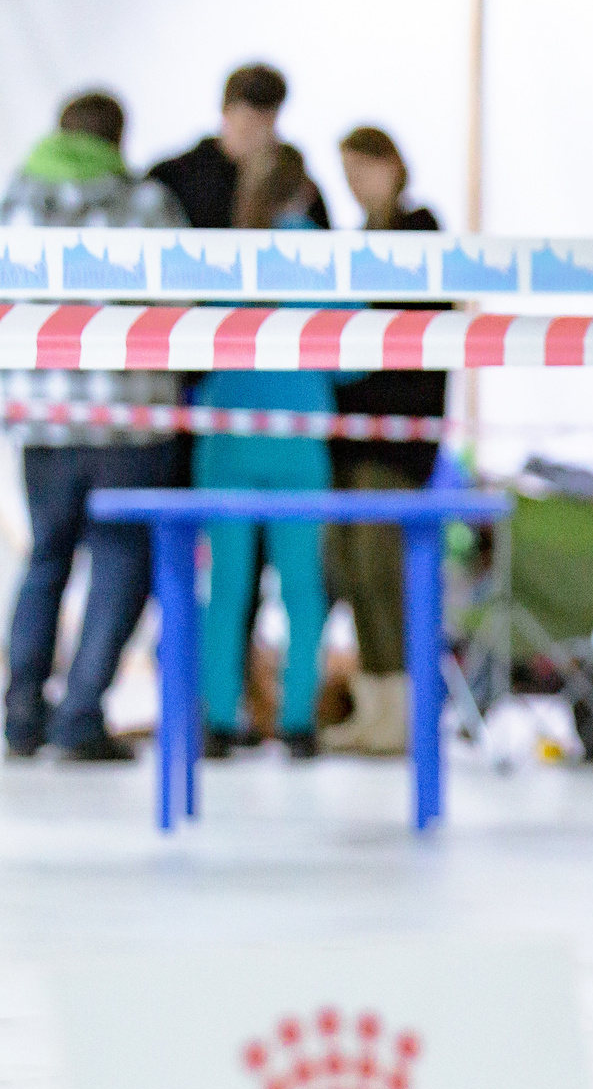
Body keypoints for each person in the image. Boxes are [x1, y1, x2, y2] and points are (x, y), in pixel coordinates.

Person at [0, 89, 187, 762]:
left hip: (42, 419)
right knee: (118, 566)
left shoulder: (9, 203)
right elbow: (182, 302)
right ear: (117, 139)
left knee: (45, 560)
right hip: (129, 419)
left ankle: (20, 717)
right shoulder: (145, 206)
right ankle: (79, 716)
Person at [194, 144, 342, 758]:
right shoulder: (323, 260)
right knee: (303, 591)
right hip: (298, 439)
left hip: (227, 437)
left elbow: (197, 340)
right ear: (305, 193)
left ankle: (220, 719)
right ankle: (300, 720)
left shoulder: (225, 257)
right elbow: (353, 354)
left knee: (226, 590)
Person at [321, 125, 448, 756]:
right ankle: (377, 708)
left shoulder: (423, 235)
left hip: (397, 441)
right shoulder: (357, 243)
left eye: (362, 170)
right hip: (349, 437)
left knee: (380, 568)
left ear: (392, 166)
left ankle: (403, 710)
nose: (356, 185)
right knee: (345, 566)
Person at [149, 63, 331, 230]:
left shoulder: (293, 183)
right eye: (249, 122)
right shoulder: (174, 176)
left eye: (267, 122)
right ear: (226, 112)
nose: (259, 134)